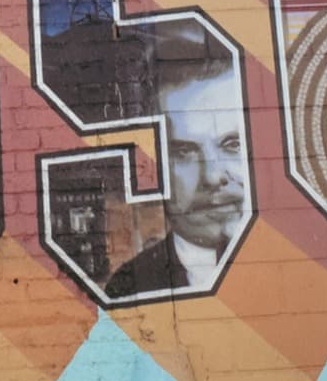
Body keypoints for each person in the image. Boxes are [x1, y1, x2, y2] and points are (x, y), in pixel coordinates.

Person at [104, 51, 247, 299]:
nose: (213, 176)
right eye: (183, 152)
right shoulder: (128, 288)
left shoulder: (307, 266)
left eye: (233, 144)